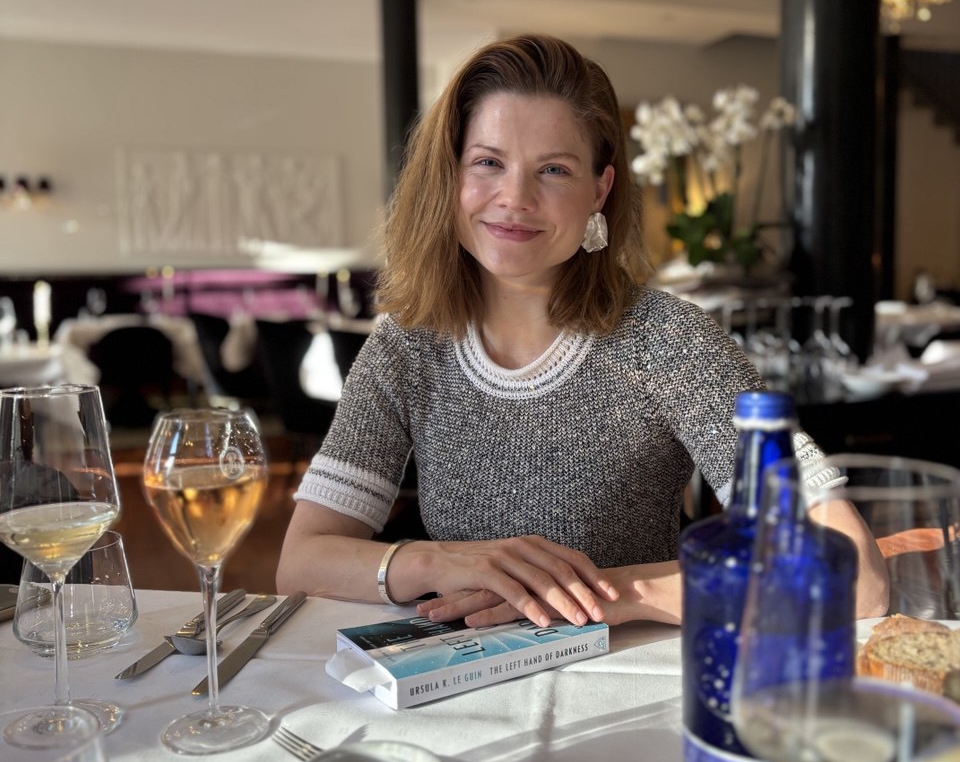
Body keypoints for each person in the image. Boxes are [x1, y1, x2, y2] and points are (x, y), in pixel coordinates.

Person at [277, 34, 888, 625]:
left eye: (554, 171)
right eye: (488, 162)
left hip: (630, 685)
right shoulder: (406, 344)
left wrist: (607, 593)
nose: (514, 197)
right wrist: (441, 560)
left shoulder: (667, 340)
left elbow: (857, 576)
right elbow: (301, 562)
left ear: (600, 189)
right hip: (458, 692)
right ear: (449, 177)